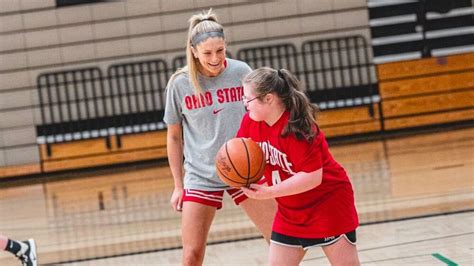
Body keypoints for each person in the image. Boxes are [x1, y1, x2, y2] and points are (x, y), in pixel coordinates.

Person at [163, 9, 276, 266]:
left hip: (245, 168)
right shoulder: (179, 84)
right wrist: (178, 185)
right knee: (192, 255)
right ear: (193, 51)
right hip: (201, 173)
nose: (215, 58)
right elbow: (173, 137)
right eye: (207, 53)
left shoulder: (241, 72)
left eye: (220, 51)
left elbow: (261, 117)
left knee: (280, 239)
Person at [239, 67, 360, 266]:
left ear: (268, 98)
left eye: (248, 99)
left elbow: (312, 177)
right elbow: (240, 157)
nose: (244, 104)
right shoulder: (250, 123)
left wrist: (268, 192)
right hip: (290, 211)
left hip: (327, 204)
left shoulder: (297, 128)